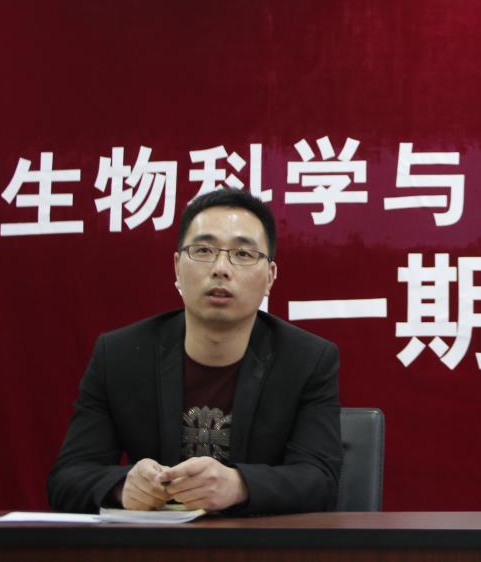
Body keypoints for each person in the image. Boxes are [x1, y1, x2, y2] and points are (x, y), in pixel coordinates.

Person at [48, 188, 341, 514]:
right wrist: (122, 487)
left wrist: (240, 485)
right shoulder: (119, 356)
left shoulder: (307, 361)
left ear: (269, 277)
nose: (221, 268)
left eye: (243, 254)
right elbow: (68, 478)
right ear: (177, 267)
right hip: (154, 541)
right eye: (203, 250)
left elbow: (321, 482)